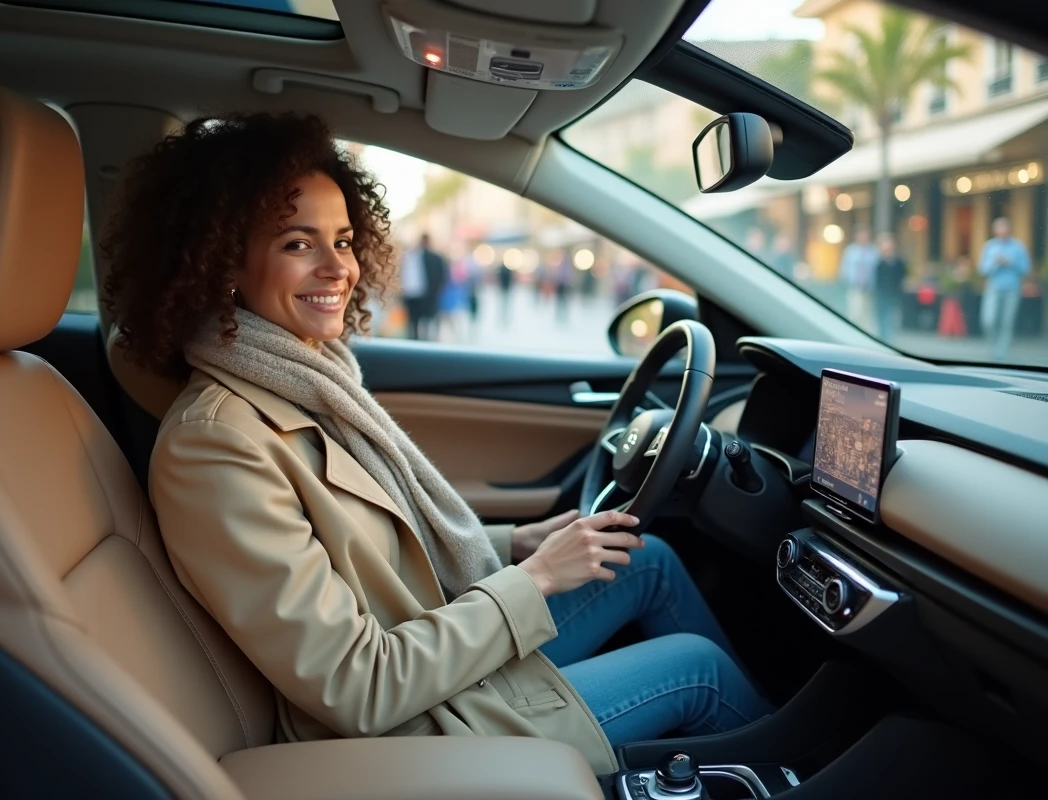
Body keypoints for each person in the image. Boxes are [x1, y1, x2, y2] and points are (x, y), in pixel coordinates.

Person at [102, 112, 770, 775]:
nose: (338, 267)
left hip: (437, 659)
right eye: (298, 244)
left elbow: (379, 548)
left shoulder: (306, 380)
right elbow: (356, 687)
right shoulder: (217, 445)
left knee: (642, 559)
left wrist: (517, 546)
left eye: (342, 240)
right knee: (699, 670)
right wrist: (535, 580)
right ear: (225, 263)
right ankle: (797, 768)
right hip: (414, 724)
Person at [978, 217, 1030, 359]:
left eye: (1004, 228)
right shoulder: (989, 246)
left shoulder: (1018, 247)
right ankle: (993, 346)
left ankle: (1001, 353)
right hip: (994, 288)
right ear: (994, 230)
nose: (1001, 231)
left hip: (1012, 289)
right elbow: (982, 269)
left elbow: (1026, 268)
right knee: (989, 320)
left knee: (1007, 322)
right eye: (998, 228)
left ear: (1009, 230)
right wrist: (995, 262)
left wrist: (1010, 262)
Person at [400, 233, 447, 340]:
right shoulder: (410, 256)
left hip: (425, 295)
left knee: (425, 323)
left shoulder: (433, 257)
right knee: (414, 323)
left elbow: (441, 276)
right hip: (412, 294)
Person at [838, 227, 879, 333]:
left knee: (868, 316)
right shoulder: (850, 251)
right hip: (855, 287)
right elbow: (844, 268)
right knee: (855, 314)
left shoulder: (873, 251)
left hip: (869, 289)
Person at [874, 233, 907, 342]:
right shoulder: (879, 262)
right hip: (881, 295)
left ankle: (890, 340)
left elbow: (902, 276)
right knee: (881, 319)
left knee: (892, 319)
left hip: (894, 295)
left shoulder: (898, 262)